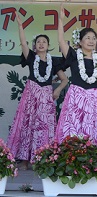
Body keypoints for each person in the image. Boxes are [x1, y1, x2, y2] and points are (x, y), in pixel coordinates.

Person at [6, 12, 68, 170]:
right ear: (35, 45)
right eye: (38, 42)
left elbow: (65, 79)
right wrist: (20, 26)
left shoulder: (53, 61)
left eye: (44, 42)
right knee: (28, 125)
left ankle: (42, 160)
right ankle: (25, 160)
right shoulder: (31, 57)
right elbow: (22, 42)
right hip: (31, 94)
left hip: (46, 96)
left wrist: (58, 90)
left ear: (48, 45)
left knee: (44, 127)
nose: (41, 44)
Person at [56, 5, 97, 145]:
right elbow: (61, 41)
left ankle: (93, 161)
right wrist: (61, 21)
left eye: (94, 38)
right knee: (73, 128)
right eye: (87, 38)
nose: (91, 41)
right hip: (76, 96)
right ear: (80, 42)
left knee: (93, 128)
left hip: (94, 98)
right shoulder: (73, 56)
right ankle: (70, 158)